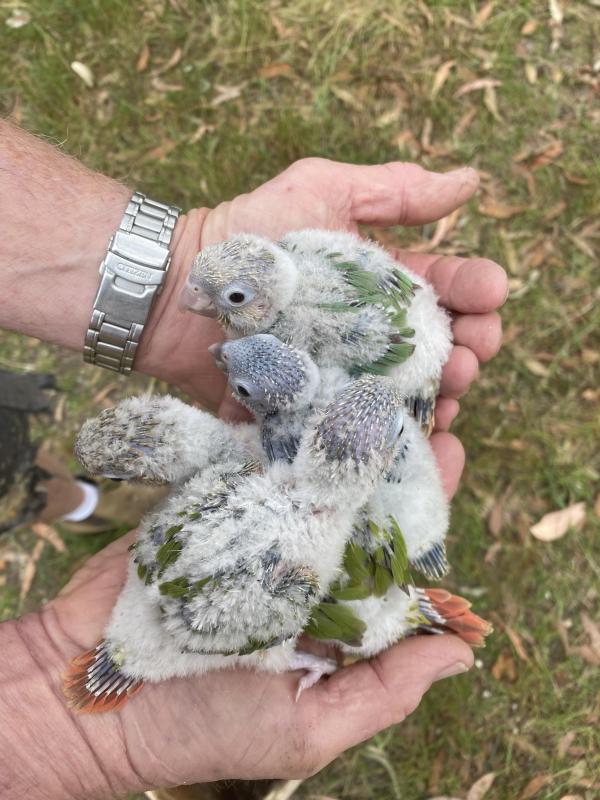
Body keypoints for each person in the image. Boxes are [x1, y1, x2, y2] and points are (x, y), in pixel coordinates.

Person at [0, 120, 507, 800]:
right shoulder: (293, 499)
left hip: (256, 584)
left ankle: (82, 507)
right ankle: (84, 508)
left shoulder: (285, 546)